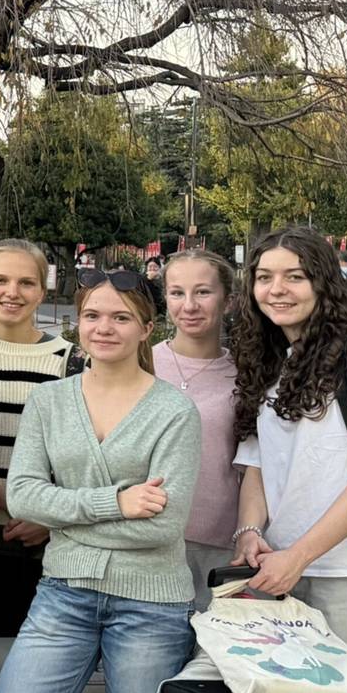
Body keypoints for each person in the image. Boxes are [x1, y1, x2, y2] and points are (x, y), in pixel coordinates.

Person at [0, 271, 200, 693]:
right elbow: (24, 496)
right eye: (94, 315)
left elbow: (163, 527)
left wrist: (66, 514)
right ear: (77, 324)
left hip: (152, 605)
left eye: (121, 317)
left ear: (147, 328)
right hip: (63, 596)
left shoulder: (174, 411)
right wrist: (116, 502)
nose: (105, 328)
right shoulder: (50, 402)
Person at [232, 226, 347, 680]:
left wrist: (300, 556)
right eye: (264, 277)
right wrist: (249, 530)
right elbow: (257, 463)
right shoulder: (272, 361)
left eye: (294, 276)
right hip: (281, 569)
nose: (276, 290)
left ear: (323, 283)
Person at [0, 239, 74, 635]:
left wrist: (49, 516)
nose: (12, 292)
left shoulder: (70, 361)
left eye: (26, 282)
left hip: (45, 540)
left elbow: (83, 452)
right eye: (0, 280)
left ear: (42, 291)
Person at [152, 250, 242, 607]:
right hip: (148, 540)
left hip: (219, 544)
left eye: (203, 292)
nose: (189, 305)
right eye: (177, 293)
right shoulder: (139, 362)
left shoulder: (246, 374)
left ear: (228, 300)